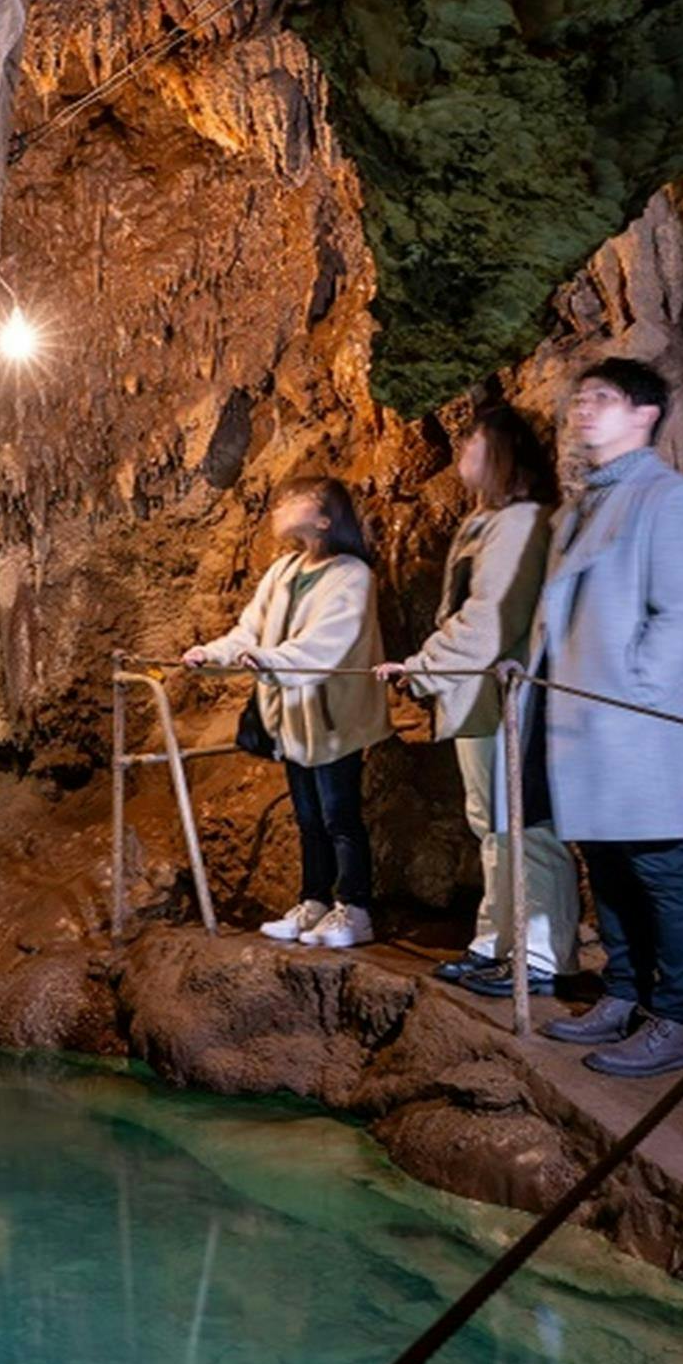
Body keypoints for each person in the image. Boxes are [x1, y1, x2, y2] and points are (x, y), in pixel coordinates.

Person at [520, 358, 683, 1077]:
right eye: (578, 400)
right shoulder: (578, 507)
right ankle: (626, 993)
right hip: (581, 716)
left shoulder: (670, 500)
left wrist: (631, 694)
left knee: (658, 865)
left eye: (601, 399)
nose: (582, 411)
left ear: (645, 414)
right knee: (604, 863)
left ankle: (678, 1017)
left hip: (630, 718)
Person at [375, 405, 580, 999]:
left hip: (511, 694)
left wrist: (424, 666)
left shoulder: (520, 522)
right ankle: (499, 942)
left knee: (525, 825)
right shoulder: (489, 523)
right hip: (482, 693)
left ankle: (543, 955)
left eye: (473, 442)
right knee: (492, 824)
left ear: (503, 454)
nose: (461, 450)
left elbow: (491, 617)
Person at [184, 477, 393, 948]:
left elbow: (328, 642)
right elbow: (249, 632)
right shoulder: (282, 572)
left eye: (295, 501)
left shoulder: (353, 574)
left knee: (340, 816)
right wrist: (212, 654)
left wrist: (273, 660)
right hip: (291, 717)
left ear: (325, 519)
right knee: (307, 817)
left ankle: (355, 910)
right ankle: (313, 901)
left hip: (333, 717)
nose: (280, 506)